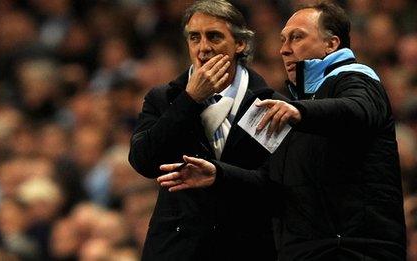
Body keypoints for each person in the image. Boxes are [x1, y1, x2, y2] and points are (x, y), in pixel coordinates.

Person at [158, 1, 407, 260]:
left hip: (354, 250)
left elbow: (358, 110)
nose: (284, 50)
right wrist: (219, 174)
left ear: (331, 44)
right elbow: (270, 184)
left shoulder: (355, 78)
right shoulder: (289, 106)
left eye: (297, 38)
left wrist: (301, 112)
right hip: (304, 252)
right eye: (283, 40)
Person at [128, 0, 283, 260]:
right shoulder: (163, 98)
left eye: (214, 37)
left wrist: (220, 175)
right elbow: (143, 161)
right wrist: (189, 100)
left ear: (240, 44)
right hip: (177, 247)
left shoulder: (270, 105)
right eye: (194, 38)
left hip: (245, 245)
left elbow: (276, 184)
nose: (203, 48)